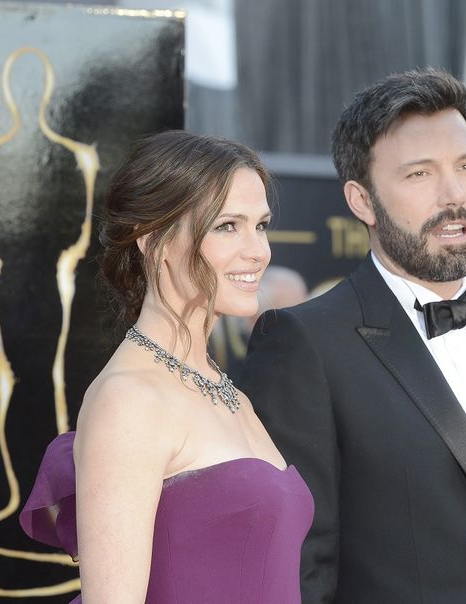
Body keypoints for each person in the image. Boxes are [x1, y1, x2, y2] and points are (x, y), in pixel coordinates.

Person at [239, 68, 466, 603]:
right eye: (419, 175)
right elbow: (300, 567)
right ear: (362, 201)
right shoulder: (304, 343)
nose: (454, 194)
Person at [19, 131, 313, 603]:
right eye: (227, 226)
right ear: (153, 240)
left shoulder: (229, 392)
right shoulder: (130, 399)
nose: (258, 250)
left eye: (261, 225)